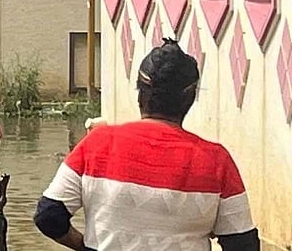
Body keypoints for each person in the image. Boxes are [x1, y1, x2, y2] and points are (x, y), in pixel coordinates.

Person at [35, 40, 260, 251]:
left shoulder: (97, 143)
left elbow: (49, 216)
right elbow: (243, 244)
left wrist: (85, 247)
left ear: (140, 94)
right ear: (190, 98)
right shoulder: (216, 161)